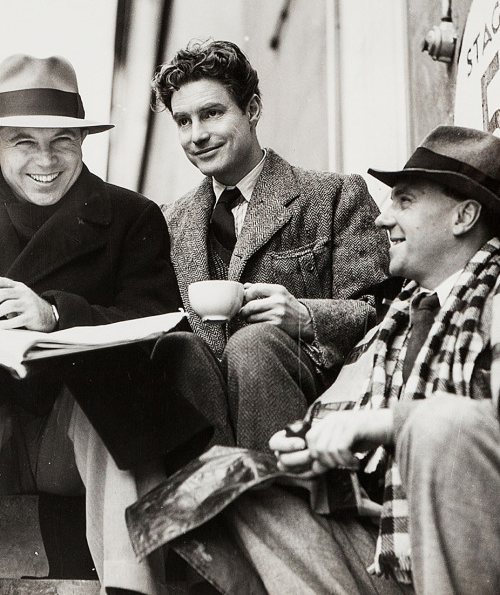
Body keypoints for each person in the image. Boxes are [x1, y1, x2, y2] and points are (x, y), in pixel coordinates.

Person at [157, 125, 500, 595]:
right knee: (226, 489)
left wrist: (384, 425)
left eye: (404, 201)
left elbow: (475, 432)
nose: (383, 219)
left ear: (464, 216)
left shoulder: (494, 301)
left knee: (442, 427)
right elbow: (336, 410)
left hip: (474, 550)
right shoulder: (399, 318)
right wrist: (305, 442)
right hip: (387, 546)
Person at [0, 54, 213, 595]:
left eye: (62, 141)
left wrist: (56, 314)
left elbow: (157, 320)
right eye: (24, 141)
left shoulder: (128, 216)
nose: (45, 159)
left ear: (83, 143)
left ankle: (129, 586)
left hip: (69, 443)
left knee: (106, 383)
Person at [151, 39, 390, 451]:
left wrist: (306, 315)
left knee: (254, 343)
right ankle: (214, 502)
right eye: (183, 121)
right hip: (211, 415)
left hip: (313, 404)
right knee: (178, 349)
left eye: (212, 113)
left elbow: (381, 315)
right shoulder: (168, 223)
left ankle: (278, 506)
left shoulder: (333, 195)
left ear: (253, 110)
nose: (198, 135)